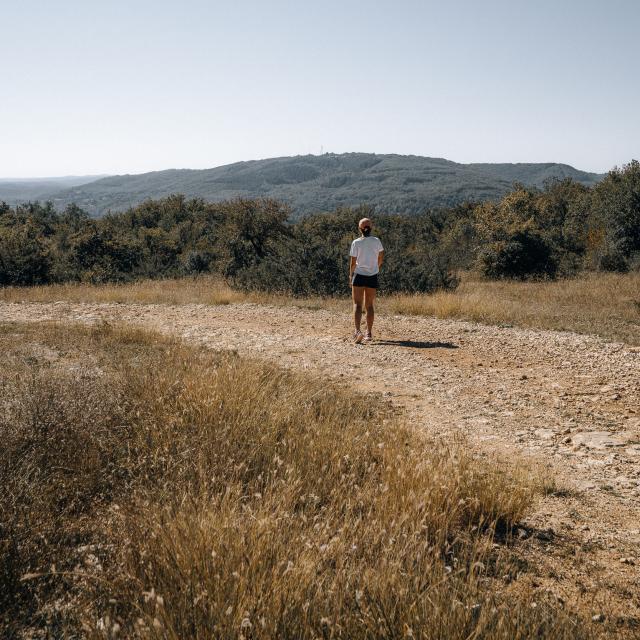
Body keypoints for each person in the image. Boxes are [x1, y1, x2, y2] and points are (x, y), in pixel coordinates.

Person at [349, 217, 384, 343]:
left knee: (357, 305)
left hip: (358, 275)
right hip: (372, 275)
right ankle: (369, 333)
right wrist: (377, 267)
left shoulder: (356, 242)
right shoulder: (377, 241)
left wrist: (350, 275)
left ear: (360, 229)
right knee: (369, 305)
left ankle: (357, 331)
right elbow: (381, 256)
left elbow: (353, 262)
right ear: (371, 228)